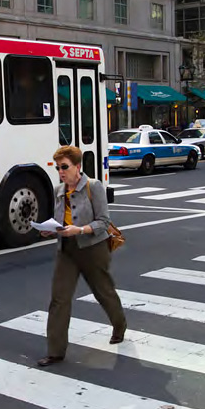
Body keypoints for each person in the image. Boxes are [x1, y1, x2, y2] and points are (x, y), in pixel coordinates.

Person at [37, 145, 127, 367]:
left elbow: (104, 222)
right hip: (67, 250)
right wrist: (50, 230)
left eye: (65, 167)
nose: (61, 172)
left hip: (93, 249)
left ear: (78, 166)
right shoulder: (59, 191)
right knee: (59, 299)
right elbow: (60, 221)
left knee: (103, 291)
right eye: (58, 168)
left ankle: (119, 324)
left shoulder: (94, 187)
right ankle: (55, 351)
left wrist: (80, 230)